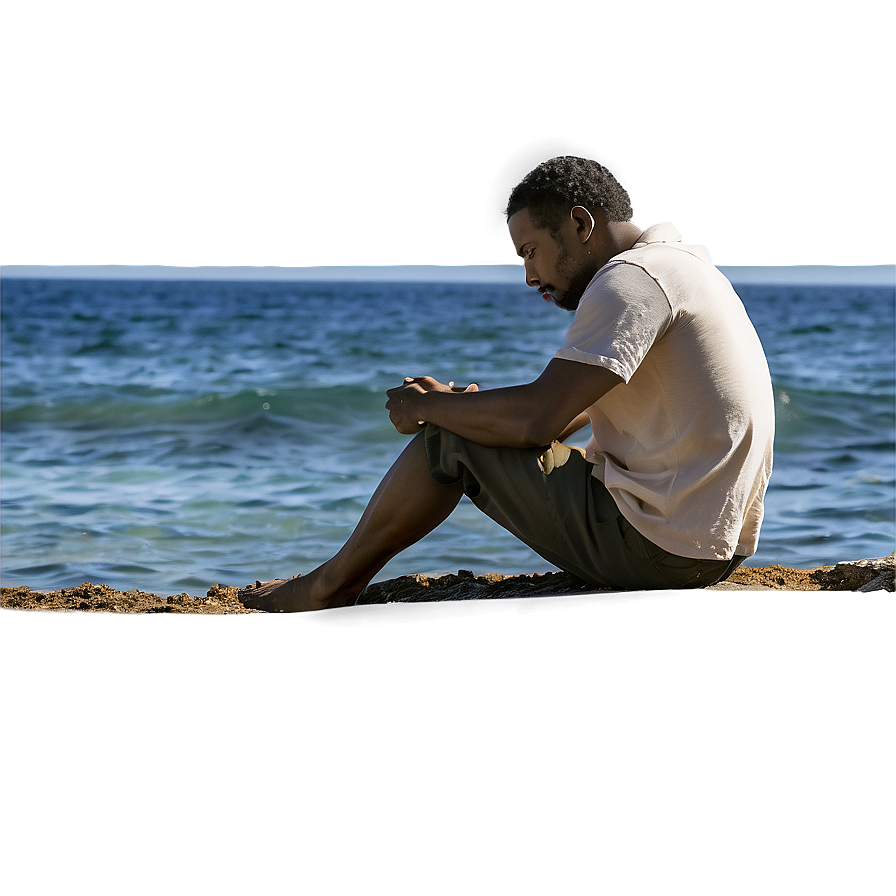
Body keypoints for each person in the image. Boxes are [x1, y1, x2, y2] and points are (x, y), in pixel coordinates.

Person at [239, 156, 774, 612]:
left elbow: (536, 420)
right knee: (462, 425)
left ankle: (330, 587)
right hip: (710, 544)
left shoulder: (630, 281)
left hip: (663, 548)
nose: (529, 277)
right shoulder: (679, 265)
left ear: (581, 224)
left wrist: (429, 409)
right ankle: (339, 577)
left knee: (446, 440)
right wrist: (457, 404)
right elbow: (562, 417)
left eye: (530, 251)